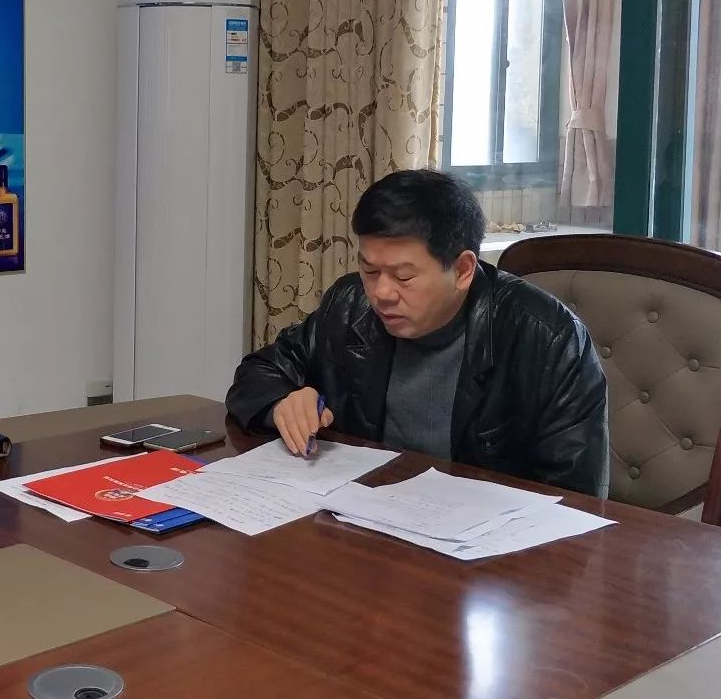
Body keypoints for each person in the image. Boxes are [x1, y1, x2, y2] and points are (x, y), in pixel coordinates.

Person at [226, 169, 609, 497]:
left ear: (462, 270)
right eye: (370, 270)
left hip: (486, 543)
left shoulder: (548, 337)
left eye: (403, 276)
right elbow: (258, 372)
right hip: (362, 521)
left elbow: (575, 497)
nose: (381, 293)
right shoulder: (349, 305)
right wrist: (282, 402)